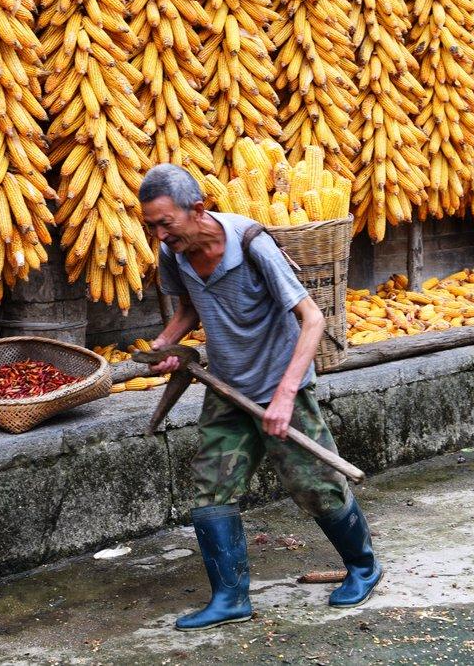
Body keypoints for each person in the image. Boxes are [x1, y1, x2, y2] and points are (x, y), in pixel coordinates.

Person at [139, 163, 382, 632]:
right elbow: (190, 305)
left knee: (315, 483)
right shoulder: (174, 253)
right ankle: (230, 598)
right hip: (228, 387)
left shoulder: (253, 245)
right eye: (150, 224)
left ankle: (364, 567)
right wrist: (166, 346)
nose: (158, 233)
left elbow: (312, 319)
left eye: (164, 223)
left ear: (199, 209)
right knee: (211, 489)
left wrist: (287, 394)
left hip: (280, 381)